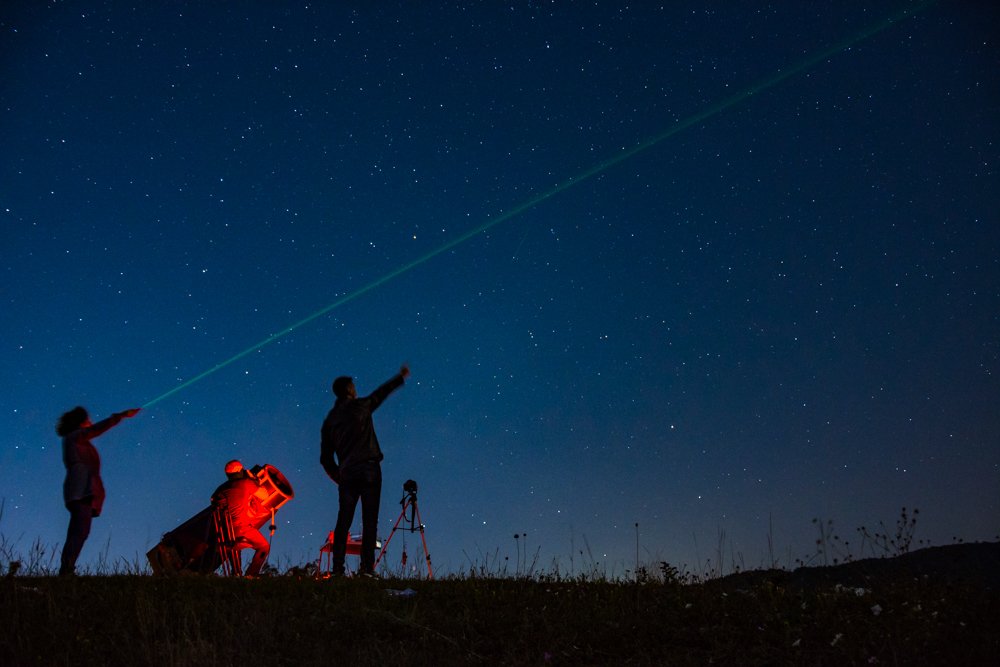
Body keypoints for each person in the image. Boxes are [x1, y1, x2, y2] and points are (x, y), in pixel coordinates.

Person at [320, 364, 410, 577]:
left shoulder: (330, 420)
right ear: (349, 390)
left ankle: (337, 570)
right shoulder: (361, 406)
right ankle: (366, 569)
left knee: (343, 521)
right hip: (369, 469)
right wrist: (399, 378)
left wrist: (339, 476)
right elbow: (380, 394)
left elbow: (325, 458)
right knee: (370, 521)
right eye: (353, 386)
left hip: (347, 473)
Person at [56, 405, 141, 576]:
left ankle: (67, 568)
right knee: (79, 530)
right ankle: (66, 569)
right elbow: (95, 429)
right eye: (87, 419)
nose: (90, 422)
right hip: (80, 488)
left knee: (79, 530)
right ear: (80, 421)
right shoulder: (75, 437)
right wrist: (120, 415)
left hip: (82, 488)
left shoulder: (76, 440)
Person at [210, 460, 270, 577]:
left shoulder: (219, 490)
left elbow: (214, 502)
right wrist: (253, 480)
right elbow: (265, 495)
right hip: (242, 528)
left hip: (224, 532)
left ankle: (236, 572)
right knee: (264, 546)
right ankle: (251, 574)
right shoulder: (246, 483)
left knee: (233, 544)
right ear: (240, 471)